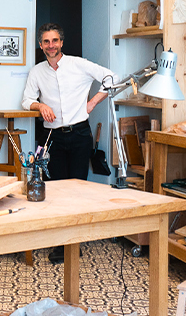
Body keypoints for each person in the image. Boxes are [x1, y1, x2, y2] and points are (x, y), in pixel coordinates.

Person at [21, 23, 117, 263]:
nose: (51, 45)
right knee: (54, 189)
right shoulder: (37, 72)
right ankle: (59, 244)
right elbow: (26, 100)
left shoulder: (78, 64)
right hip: (52, 137)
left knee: (77, 189)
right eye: (46, 41)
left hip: (80, 134)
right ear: (40, 45)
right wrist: (40, 105)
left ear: (61, 43)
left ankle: (73, 244)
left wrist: (93, 103)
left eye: (55, 41)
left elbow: (111, 77)